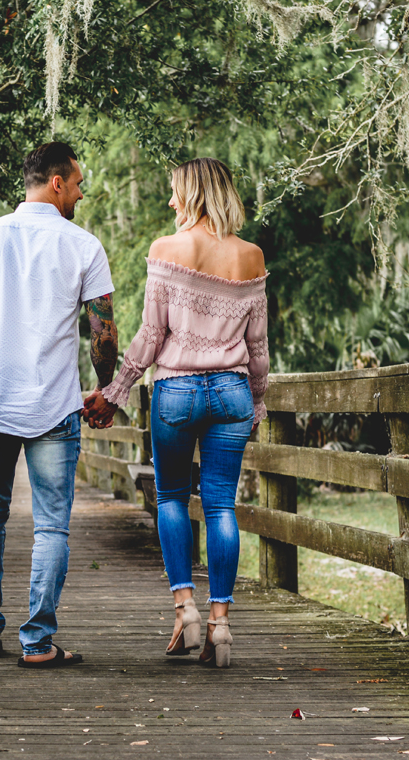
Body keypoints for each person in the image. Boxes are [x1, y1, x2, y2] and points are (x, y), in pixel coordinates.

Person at [85, 157, 268, 668]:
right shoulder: (251, 256)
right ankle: (221, 624)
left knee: (169, 496)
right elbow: (259, 348)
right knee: (220, 506)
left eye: (174, 193)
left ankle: (185, 607)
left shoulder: (166, 250)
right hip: (231, 393)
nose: (170, 203)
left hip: (177, 393)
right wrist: (256, 403)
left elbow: (150, 337)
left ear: (194, 194)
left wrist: (114, 392)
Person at [0, 141, 118, 668]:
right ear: (57, 182)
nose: (83, 193)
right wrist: (103, 387)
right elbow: (103, 332)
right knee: (51, 525)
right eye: (79, 182)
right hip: (53, 405)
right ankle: (38, 643)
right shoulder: (83, 246)